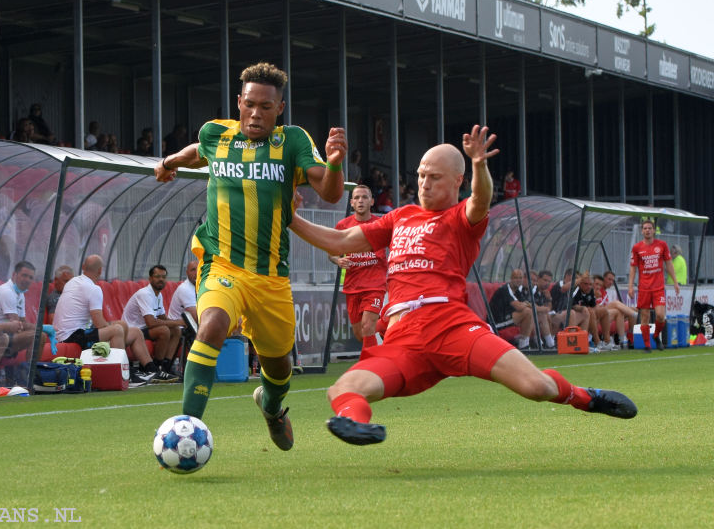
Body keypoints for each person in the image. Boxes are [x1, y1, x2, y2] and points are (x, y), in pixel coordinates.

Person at [287, 125, 636, 446]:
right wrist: (290, 217)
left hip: (451, 325)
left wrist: (480, 166)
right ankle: (356, 425)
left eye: (434, 177)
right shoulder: (400, 216)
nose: (424, 183)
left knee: (536, 387)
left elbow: (480, 201)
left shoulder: (460, 218)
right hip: (404, 337)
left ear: (457, 181)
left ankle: (585, 397)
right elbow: (340, 240)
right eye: (421, 176)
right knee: (343, 389)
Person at [155, 61, 347, 451]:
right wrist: (168, 162)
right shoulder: (215, 133)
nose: (256, 113)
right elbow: (197, 152)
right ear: (239, 102)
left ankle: (272, 407)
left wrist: (334, 163)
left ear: (280, 109)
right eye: (250, 104)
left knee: (278, 366)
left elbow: (329, 194)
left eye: (266, 106)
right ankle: (186, 429)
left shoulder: (291, 142)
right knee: (210, 327)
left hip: (271, 275)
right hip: (220, 263)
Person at [52, 254, 166, 384]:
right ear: (100, 271)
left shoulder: (73, 281)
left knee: (133, 331)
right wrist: (115, 327)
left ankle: (151, 370)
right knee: (117, 330)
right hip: (72, 336)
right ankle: (125, 373)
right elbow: (99, 323)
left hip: (72, 333)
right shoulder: (93, 288)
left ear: (83, 267)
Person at [330, 184, 387, 350]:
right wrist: (337, 260)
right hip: (352, 286)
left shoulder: (382, 224)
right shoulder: (343, 225)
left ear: (372, 201)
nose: (360, 200)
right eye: (357, 198)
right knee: (359, 333)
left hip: (375, 285)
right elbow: (331, 251)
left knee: (367, 327)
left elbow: (396, 244)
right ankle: (384, 327)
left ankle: (372, 366)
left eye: (364, 197)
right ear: (351, 203)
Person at [121, 264, 185, 380]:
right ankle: (156, 368)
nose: (161, 279)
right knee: (164, 330)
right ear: (150, 279)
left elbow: (163, 318)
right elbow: (151, 322)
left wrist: (180, 323)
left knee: (176, 331)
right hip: (134, 330)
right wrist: (178, 322)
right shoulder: (145, 294)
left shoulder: (158, 295)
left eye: (163, 277)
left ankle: (166, 367)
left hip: (145, 328)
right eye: (157, 276)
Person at [628, 219, 680, 352]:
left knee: (660, 315)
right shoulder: (637, 248)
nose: (647, 230)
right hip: (644, 287)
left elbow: (668, 263)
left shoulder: (662, 245)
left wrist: (675, 282)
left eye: (649, 228)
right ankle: (647, 345)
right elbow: (633, 268)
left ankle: (656, 336)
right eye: (645, 228)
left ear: (654, 230)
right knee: (644, 316)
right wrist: (630, 286)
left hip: (658, 287)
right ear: (642, 231)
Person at [0, 260, 40, 364]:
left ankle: (32, 370)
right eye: (24, 275)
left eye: (30, 277)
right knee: (37, 335)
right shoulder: (7, 291)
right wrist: (41, 328)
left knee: (39, 335)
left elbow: (22, 321)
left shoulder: (20, 293)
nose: (27, 280)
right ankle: (29, 372)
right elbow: (17, 325)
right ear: (14, 275)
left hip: (6, 333)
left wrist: (37, 328)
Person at [488, 269, 534, 350]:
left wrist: (525, 304)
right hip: (496, 322)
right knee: (527, 312)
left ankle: (527, 342)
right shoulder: (505, 289)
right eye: (516, 278)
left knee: (531, 313)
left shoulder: (517, 291)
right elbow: (519, 307)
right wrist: (525, 304)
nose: (518, 280)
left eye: (520, 278)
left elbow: (527, 304)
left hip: (507, 319)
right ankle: (524, 345)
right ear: (511, 279)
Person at [572, 272, 614, 352]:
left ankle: (607, 341)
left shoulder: (590, 290)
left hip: (588, 314)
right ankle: (597, 342)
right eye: (586, 284)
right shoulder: (576, 290)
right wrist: (583, 308)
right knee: (590, 311)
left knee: (603, 311)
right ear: (580, 284)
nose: (589, 287)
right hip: (578, 314)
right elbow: (572, 305)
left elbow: (594, 306)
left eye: (590, 284)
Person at [600, 271, 638, 348]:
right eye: (609, 279)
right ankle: (635, 315)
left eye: (612, 280)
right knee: (616, 303)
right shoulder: (597, 289)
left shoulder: (606, 292)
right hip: (599, 315)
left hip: (606, 314)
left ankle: (628, 339)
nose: (611, 282)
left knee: (631, 309)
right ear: (603, 279)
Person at [549, 268, 588, 334]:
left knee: (585, 314)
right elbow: (564, 288)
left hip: (566, 316)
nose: (576, 281)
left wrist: (582, 308)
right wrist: (581, 279)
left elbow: (573, 304)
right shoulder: (558, 285)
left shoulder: (573, 289)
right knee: (571, 313)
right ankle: (571, 341)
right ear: (567, 276)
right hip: (554, 314)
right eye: (575, 278)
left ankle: (583, 339)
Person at [530, 270, 556, 349]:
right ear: (538, 279)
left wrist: (549, 299)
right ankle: (548, 344)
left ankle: (550, 341)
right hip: (528, 316)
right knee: (542, 315)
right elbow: (530, 306)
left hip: (539, 317)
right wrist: (543, 309)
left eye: (549, 281)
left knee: (553, 317)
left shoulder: (544, 292)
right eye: (545, 280)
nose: (547, 283)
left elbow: (548, 308)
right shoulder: (533, 290)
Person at [168, 259, 199, 324]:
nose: (197, 272)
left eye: (200, 269)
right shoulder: (185, 289)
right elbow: (196, 318)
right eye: (193, 270)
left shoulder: (200, 287)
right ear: (187, 273)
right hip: (180, 329)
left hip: (191, 326)